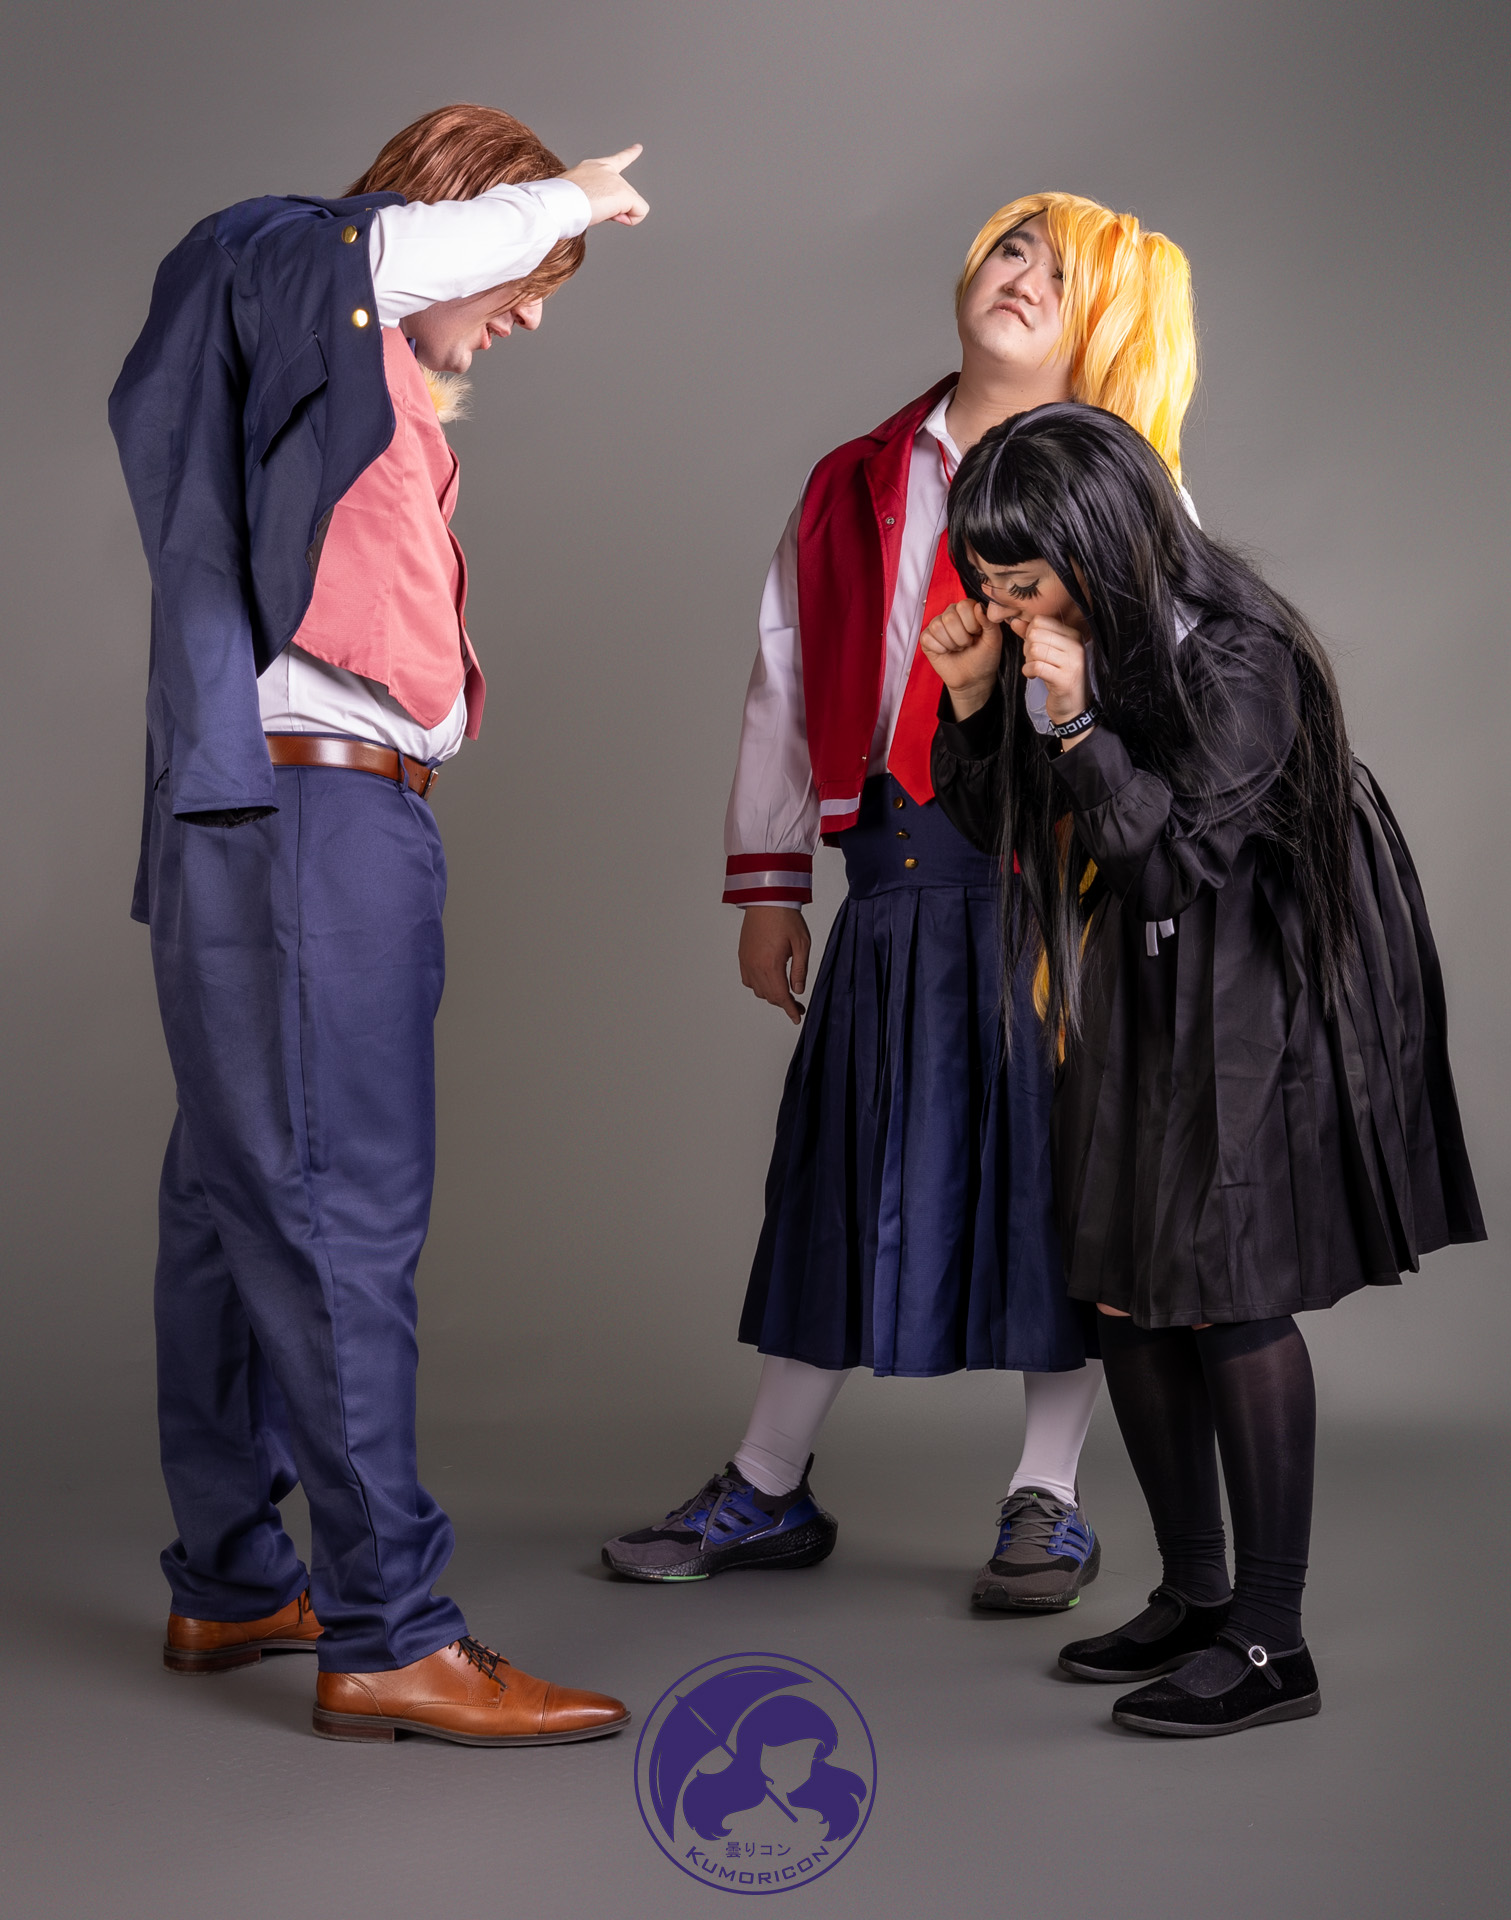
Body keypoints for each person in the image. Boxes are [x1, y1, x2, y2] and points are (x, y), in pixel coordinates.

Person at [109, 104, 650, 1745]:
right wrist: (569, 197)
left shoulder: (341, 377)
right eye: (529, 276)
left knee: (229, 1205)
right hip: (313, 825)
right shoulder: (288, 267)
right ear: (452, 216)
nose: (532, 312)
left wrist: (535, 231)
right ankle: (392, 1632)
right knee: (342, 1214)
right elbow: (374, 250)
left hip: (269, 821)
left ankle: (229, 1579)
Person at [602, 196, 1197, 1611]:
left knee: (1065, 1184)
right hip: (894, 866)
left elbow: (1184, 690)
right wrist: (769, 881)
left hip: (1065, 879)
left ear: (1109, 319)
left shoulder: (1131, 485)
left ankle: (1047, 1496)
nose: (1024, 278)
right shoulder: (851, 480)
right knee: (840, 1167)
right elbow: (786, 677)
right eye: (1011, 249)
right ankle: (767, 1481)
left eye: (1064, 273)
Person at [923, 401, 1484, 1734]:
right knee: (1126, 1283)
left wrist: (1070, 721)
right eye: (988, 583)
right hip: (1146, 964)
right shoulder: (1068, 642)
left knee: (1227, 1289)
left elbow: (1168, 862)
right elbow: (1010, 828)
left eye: (1021, 581)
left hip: (1262, 973)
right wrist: (978, 699)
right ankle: (1194, 1594)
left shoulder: (1243, 653)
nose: (1003, 605)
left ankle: (1274, 1642)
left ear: (1100, 543)